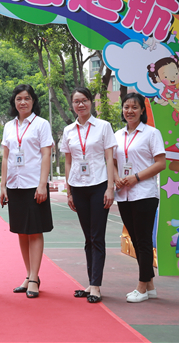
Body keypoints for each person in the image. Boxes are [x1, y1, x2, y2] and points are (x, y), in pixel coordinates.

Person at [60, 87, 117, 303]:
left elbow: (109, 158)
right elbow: (68, 161)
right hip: (78, 186)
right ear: (72, 105)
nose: (80, 104)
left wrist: (110, 187)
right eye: (76, 101)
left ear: (91, 102)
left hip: (99, 185)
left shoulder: (103, 127)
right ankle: (91, 281)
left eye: (84, 100)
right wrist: (69, 191)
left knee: (97, 236)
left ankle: (96, 285)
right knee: (87, 238)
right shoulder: (68, 130)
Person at [0, 84, 53, 299]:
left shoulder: (41, 124)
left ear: (33, 101)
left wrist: (42, 184)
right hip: (15, 185)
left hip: (34, 184)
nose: (23, 102)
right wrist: (3, 186)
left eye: (27, 98)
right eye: (19, 98)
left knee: (35, 230)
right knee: (22, 231)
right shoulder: (9, 126)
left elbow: (46, 154)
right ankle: (30, 275)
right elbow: (5, 157)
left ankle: (33, 278)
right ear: (14, 102)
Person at [114, 92, 166, 303]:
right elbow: (112, 162)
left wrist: (136, 177)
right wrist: (117, 178)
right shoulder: (117, 135)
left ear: (142, 110)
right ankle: (150, 286)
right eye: (126, 107)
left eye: (134, 107)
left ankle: (142, 287)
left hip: (144, 194)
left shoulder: (151, 133)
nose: (130, 111)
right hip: (124, 195)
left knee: (143, 241)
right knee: (136, 241)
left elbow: (161, 163)